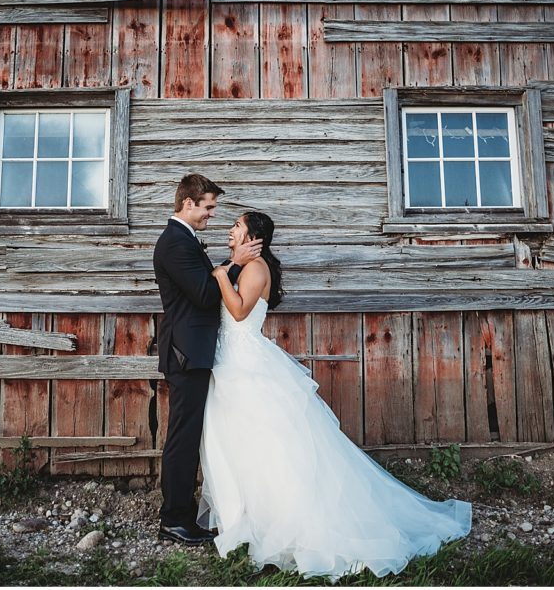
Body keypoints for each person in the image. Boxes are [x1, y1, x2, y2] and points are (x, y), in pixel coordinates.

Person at [197, 211, 472, 579]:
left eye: (236, 226)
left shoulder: (256, 268)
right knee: (240, 446)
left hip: (246, 366)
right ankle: (247, 518)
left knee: (268, 447)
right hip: (231, 362)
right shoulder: (243, 266)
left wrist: (218, 275)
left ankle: (287, 522)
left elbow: (238, 309)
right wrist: (226, 267)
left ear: (252, 237)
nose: (230, 230)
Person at [152, 174, 262, 546]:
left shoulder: (185, 240)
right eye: (209, 208)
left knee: (189, 436)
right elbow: (202, 293)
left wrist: (227, 267)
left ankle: (181, 515)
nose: (212, 215)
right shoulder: (174, 243)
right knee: (182, 439)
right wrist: (233, 263)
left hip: (195, 352)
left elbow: (206, 282)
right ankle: (174, 519)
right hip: (186, 354)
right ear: (189, 203)